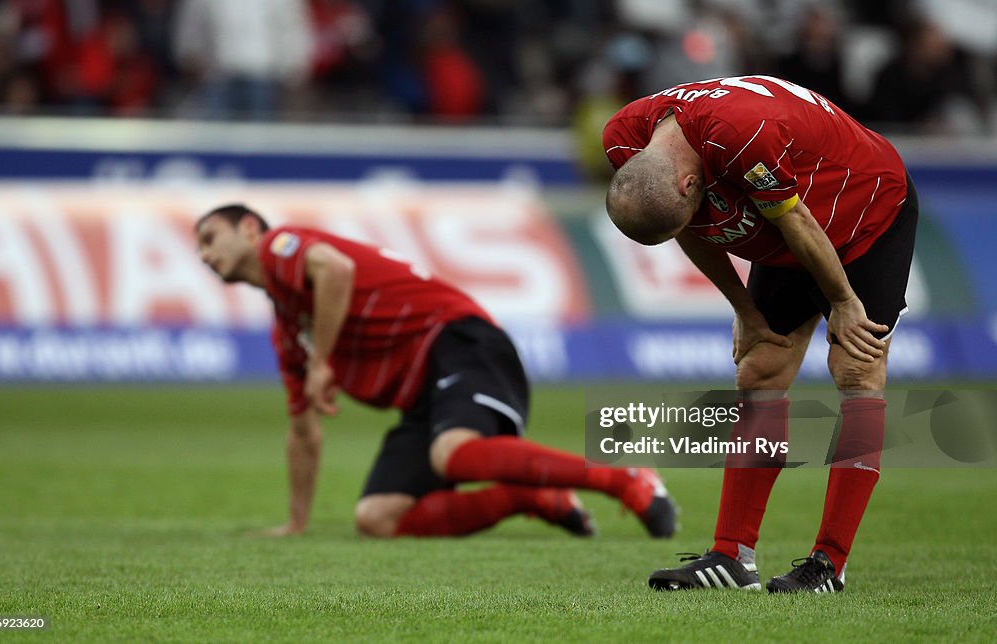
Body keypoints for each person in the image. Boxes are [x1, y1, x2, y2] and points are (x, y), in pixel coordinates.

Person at [603, 75, 917, 592]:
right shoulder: (625, 138)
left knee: (856, 367)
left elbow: (797, 221)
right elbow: (693, 226)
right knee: (761, 366)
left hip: (866, 212)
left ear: (687, 184)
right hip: (784, 220)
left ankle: (828, 564)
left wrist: (842, 303)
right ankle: (731, 557)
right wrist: (745, 310)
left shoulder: (742, 135)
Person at [195, 204, 677, 539]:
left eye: (211, 237)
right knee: (377, 519)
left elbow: (335, 270)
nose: (203, 253)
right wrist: (296, 521)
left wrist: (322, 361)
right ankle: (530, 498)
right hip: (425, 395)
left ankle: (626, 475)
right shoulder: (287, 328)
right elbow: (303, 430)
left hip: (458, 340)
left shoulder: (282, 243)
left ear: (251, 230)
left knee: (454, 453)